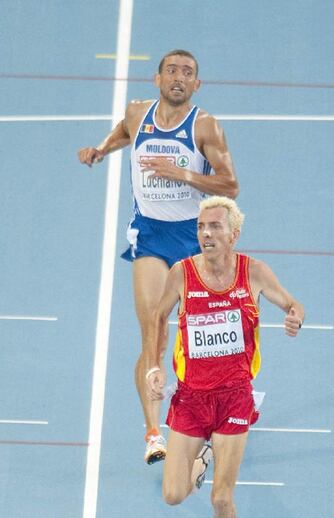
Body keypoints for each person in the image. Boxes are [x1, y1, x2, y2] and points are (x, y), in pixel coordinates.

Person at [78, 50, 239, 464]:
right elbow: (122, 134)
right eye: (172, 71)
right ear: (157, 79)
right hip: (149, 234)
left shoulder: (205, 126)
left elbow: (230, 185)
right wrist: (100, 150)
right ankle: (154, 432)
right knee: (153, 331)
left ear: (196, 85)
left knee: (203, 339)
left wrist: (180, 172)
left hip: (193, 239)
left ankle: (218, 416)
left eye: (187, 73)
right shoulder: (137, 114)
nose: (178, 78)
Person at [146, 195, 305, 518]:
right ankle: (202, 457)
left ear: (234, 233)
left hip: (235, 397)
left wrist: (294, 316)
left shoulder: (253, 272)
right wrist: (154, 365)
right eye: (201, 227)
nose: (205, 233)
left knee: (221, 496)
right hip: (191, 398)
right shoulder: (182, 274)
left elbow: (291, 301)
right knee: (173, 495)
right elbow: (157, 317)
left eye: (214, 226)